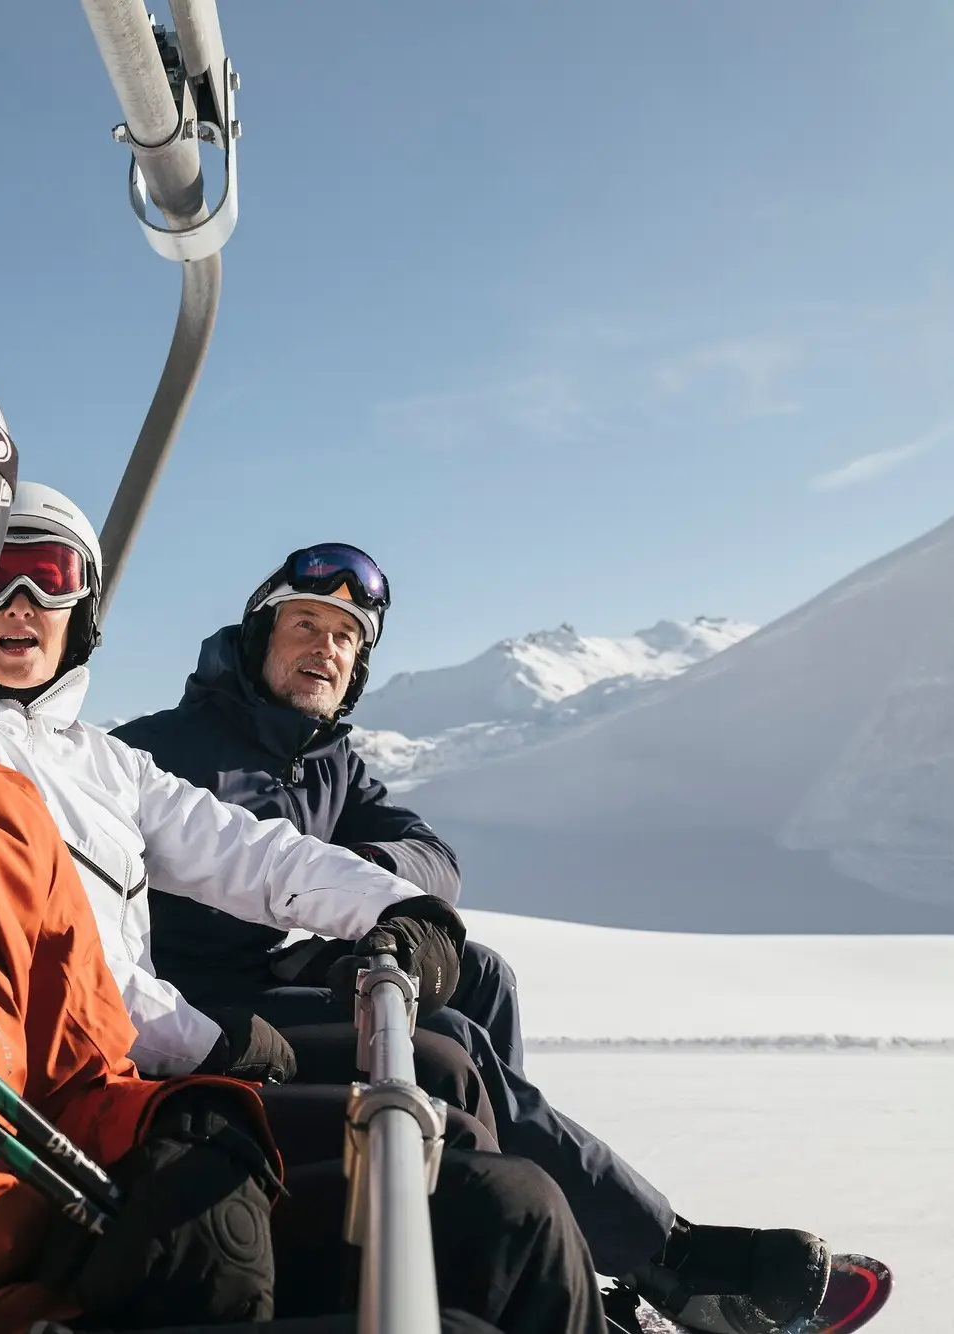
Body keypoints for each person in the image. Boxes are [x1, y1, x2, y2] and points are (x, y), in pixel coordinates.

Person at [0, 296, 599, 1334]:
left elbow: (186, 921)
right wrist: (218, 1048)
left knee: (506, 1211)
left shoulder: (1, 795)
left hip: (46, 1219)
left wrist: (181, 1130)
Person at [115, 542, 860, 1333]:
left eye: (345, 637)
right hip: (207, 1005)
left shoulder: (328, 762)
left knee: (479, 975)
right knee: (448, 1037)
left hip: (291, 976)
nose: (324, 648)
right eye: (305, 623)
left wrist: (362, 873)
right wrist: (330, 898)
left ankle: (553, 1233)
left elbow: (434, 858)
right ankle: (663, 1260)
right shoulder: (166, 749)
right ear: (261, 635)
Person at [0, 482, 612, 1331]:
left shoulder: (92, 760)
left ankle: (521, 1279)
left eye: (52, 577)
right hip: (97, 1097)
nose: (24, 605)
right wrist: (205, 1035)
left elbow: (243, 849)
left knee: (464, 1109)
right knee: (499, 1194)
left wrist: (392, 906)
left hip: (137, 1075)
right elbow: (38, 952)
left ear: (83, 609)